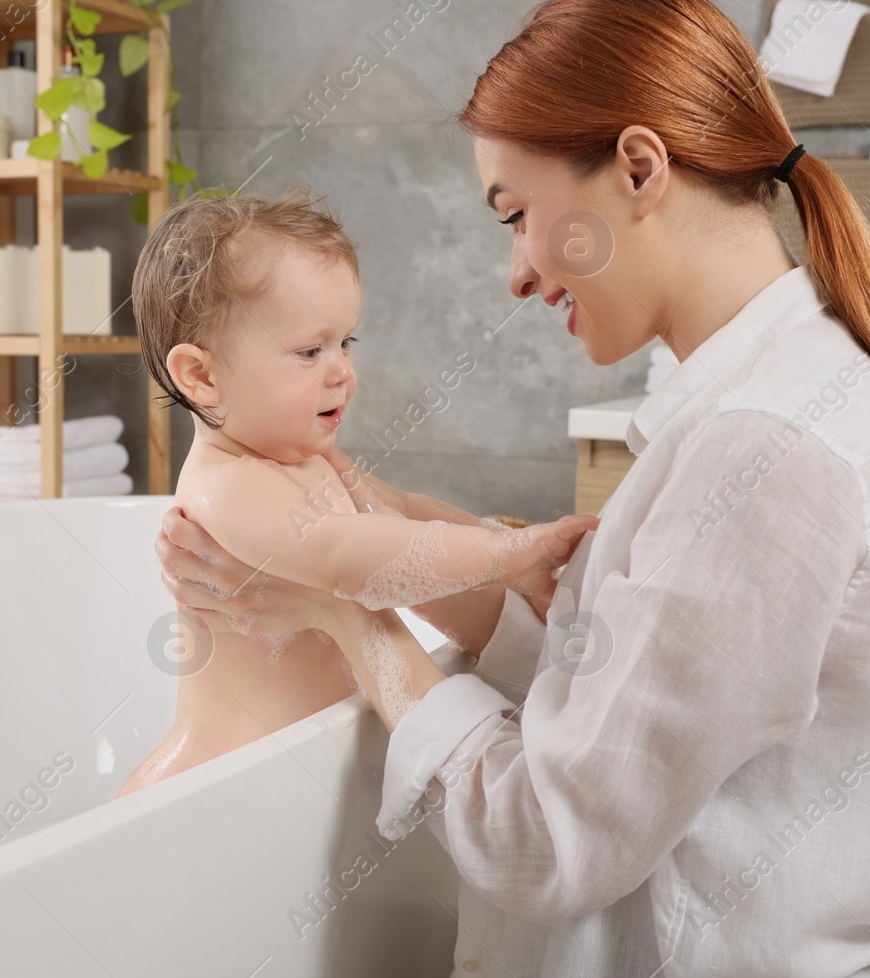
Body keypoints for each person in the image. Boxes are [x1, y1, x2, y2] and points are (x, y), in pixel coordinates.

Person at [156, 0, 870, 977]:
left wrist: (349, 616)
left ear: (639, 167)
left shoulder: (765, 449)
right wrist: (478, 576)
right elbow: (626, 709)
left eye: (515, 212)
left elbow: (544, 840)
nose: (514, 269)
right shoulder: (764, 399)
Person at [121, 190, 595, 797]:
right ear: (203, 377)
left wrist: (502, 549)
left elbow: (400, 513)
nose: (341, 369)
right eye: (309, 351)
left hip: (300, 759)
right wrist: (500, 557)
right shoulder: (226, 488)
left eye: (347, 343)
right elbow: (348, 556)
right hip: (220, 773)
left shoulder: (309, 462)